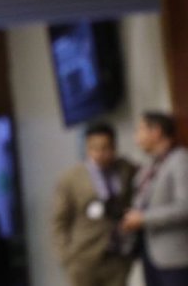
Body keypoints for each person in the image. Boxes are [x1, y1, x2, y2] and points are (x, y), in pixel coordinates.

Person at [52, 122, 136, 286]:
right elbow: (59, 221)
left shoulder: (126, 168)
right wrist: (65, 256)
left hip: (118, 256)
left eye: (106, 148)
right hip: (83, 257)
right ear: (87, 148)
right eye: (94, 148)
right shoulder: (70, 178)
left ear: (114, 147)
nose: (100, 153)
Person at [121, 112, 188, 286]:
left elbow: (185, 207)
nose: (136, 136)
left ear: (156, 132)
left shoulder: (179, 160)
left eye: (140, 130)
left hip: (175, 259)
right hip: (150, 255)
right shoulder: (149, 165)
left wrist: (143, 218)